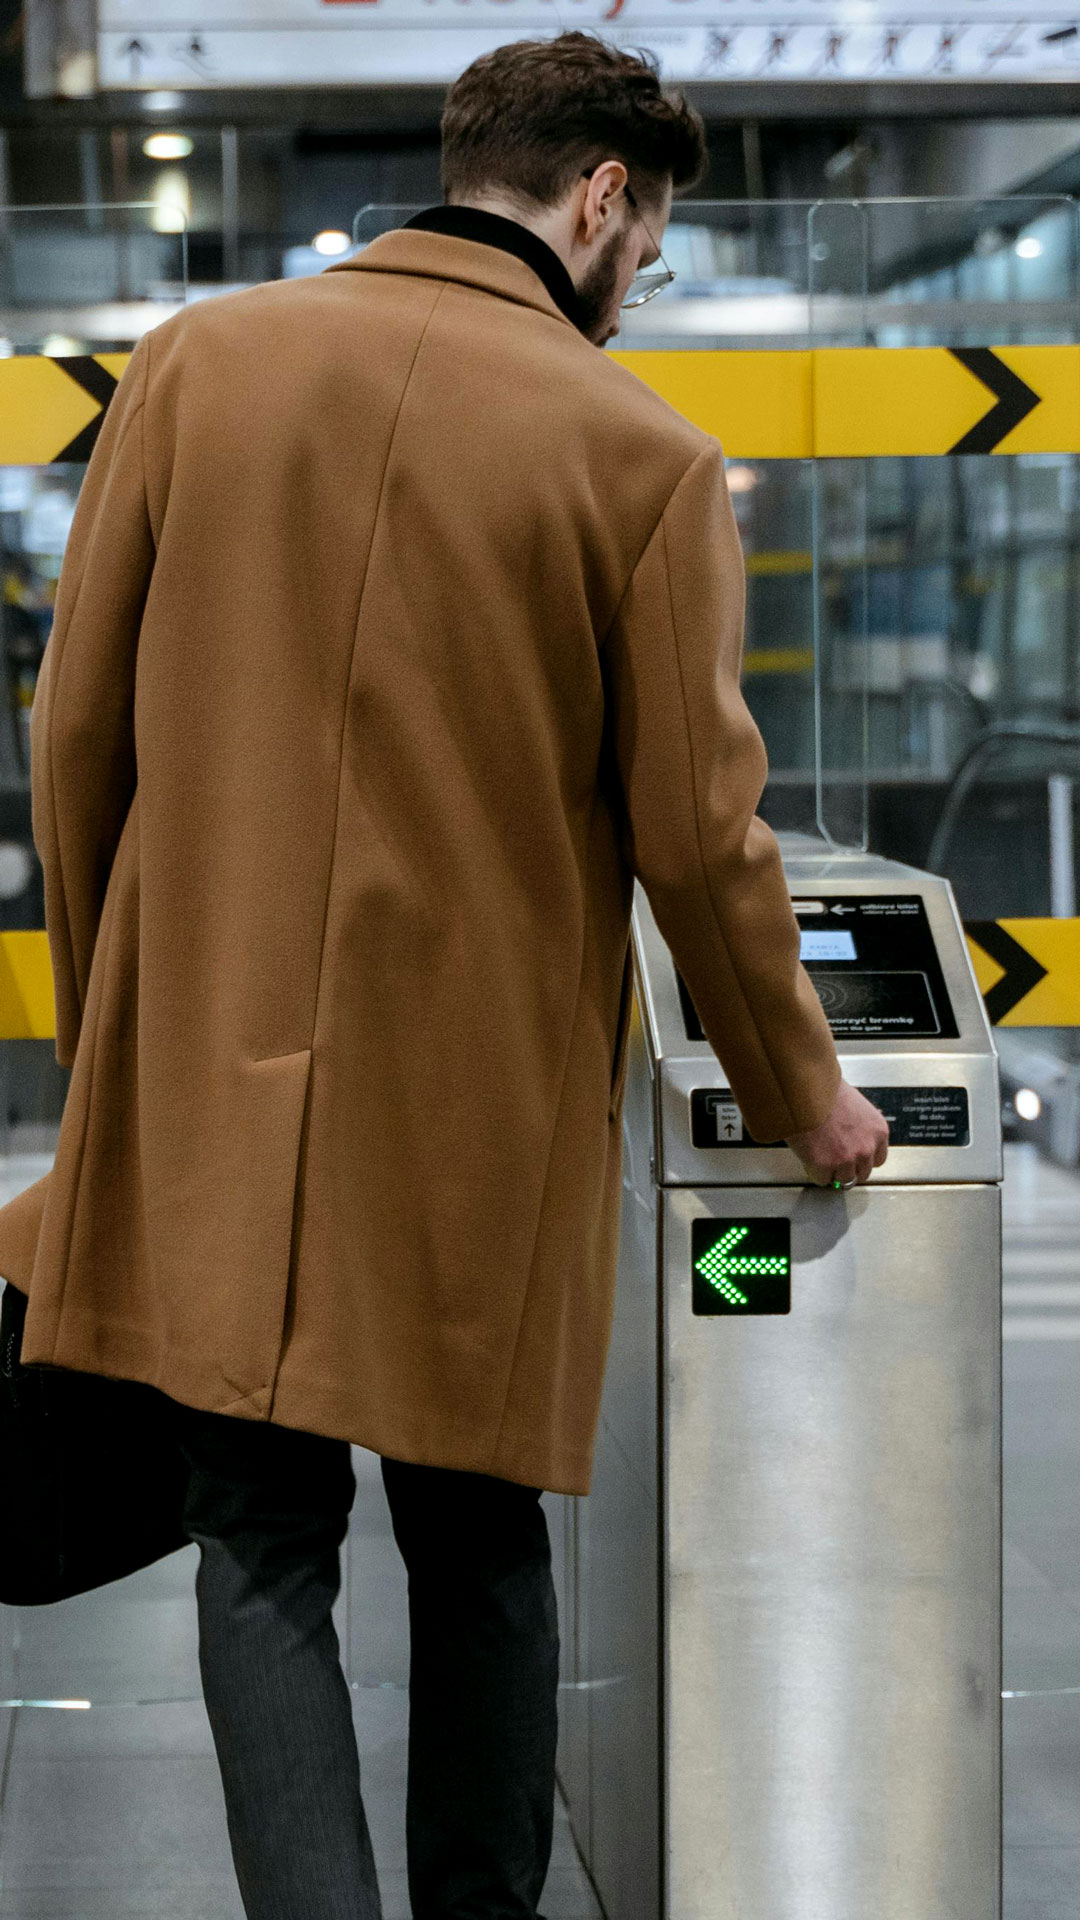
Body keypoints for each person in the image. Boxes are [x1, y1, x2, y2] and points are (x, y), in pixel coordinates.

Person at [0, 30, 888, 1920]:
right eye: (648, 245)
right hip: (477, 1117)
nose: (639, 282)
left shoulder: (197, 369)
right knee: (481, 1538)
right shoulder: (639, 457)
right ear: (598, 198)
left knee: (258, 1540)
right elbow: (703, 838)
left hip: (217, 1085)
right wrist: (808, 1092)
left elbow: (75, 735)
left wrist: (123, 1041)